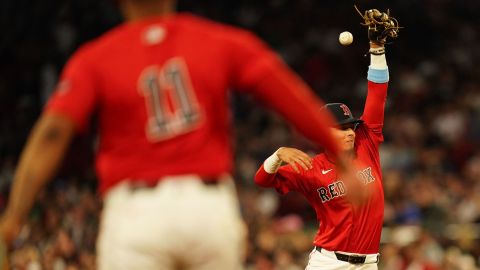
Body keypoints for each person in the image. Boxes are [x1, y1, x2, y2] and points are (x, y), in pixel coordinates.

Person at [0, 0, 346, 269]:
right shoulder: (218, 40)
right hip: (207, 210)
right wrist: (339, 152)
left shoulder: (95, 58)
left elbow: (53, 133)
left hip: (136, 215)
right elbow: (289, 96)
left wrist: (14, 216)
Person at [254, 38, 392, 269]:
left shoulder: (366, 144)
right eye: (341, 129)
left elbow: (377, 94)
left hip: (369, 264)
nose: (350, 133)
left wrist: (377, 50)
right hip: (329, 262)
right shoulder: (310, 167)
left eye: (351, 127)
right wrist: (277, 155)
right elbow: (261, 180)